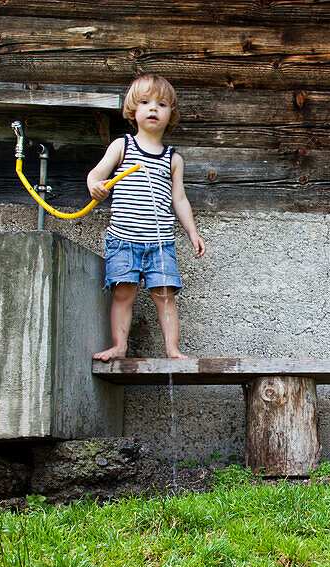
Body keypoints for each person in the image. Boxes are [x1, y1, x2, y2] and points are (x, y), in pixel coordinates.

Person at [88, 73, 205, 361]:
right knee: (123, 294)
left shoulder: (172, 158)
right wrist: (95, 186)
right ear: (133, 110)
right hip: (123, 240)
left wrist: (192, 232)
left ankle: (172, 349)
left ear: (171, 114)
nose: (153, 108)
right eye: (145, 102)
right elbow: (96, 175)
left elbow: (179, 199)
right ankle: (119, 346)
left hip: (160, 242)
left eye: (162, 104)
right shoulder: (122, 146)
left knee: (165, 297)